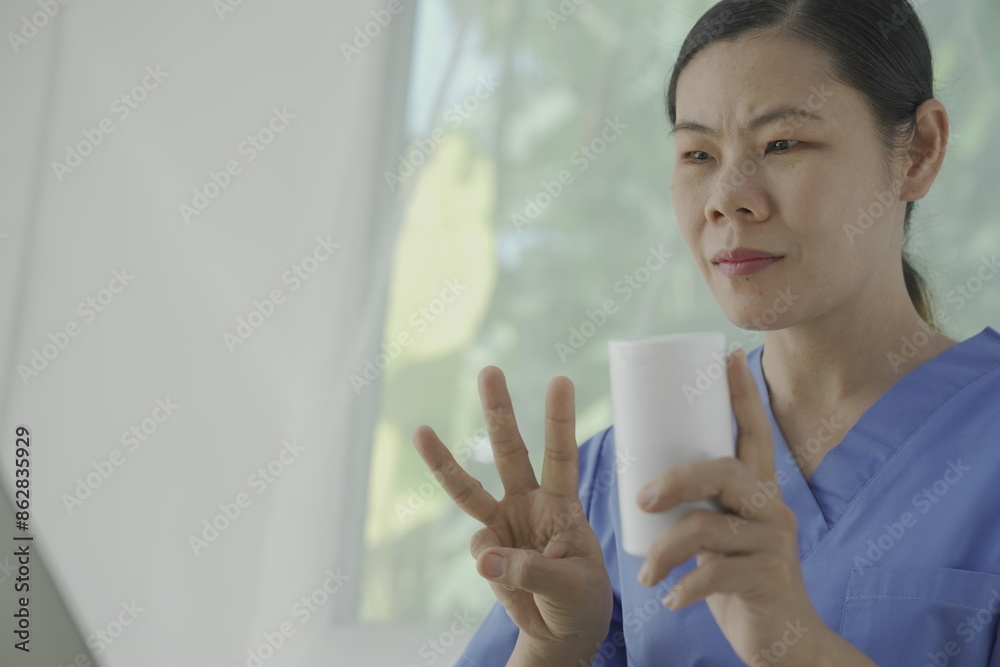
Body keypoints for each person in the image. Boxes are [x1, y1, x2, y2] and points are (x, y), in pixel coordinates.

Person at [411, 0, 1000, 664]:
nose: (726, 196)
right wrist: (555, 646)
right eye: (698, 154)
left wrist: (794, 643)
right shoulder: (615, 478)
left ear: (919, 151)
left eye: (783, 144)